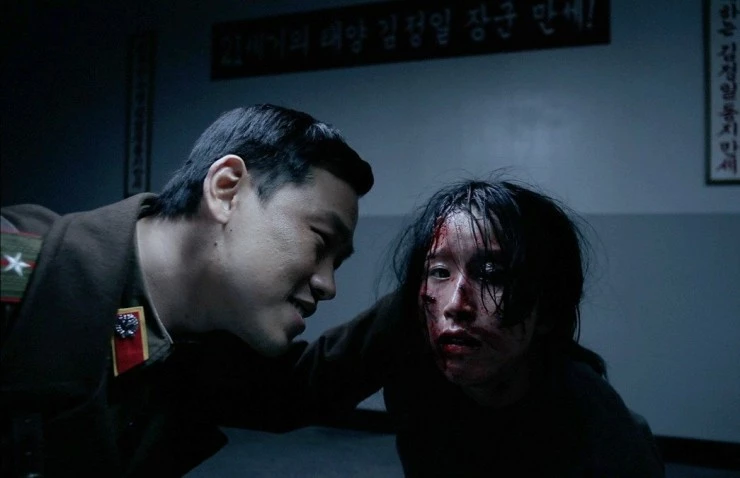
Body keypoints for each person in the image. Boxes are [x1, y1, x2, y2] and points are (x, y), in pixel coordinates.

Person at [0, 104, 374, 477]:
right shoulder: (17, 273)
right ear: (227, 190)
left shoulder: (197, 346)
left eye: (337, 263)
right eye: (321, 242)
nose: (328, 285)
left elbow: (298, 387)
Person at [292, 178, 665, 477]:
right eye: (439, 271)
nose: (456, 304)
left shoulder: (602, 433)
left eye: (492, 275)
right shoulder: (409, 320)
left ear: (547, 309)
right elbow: (292, 393)